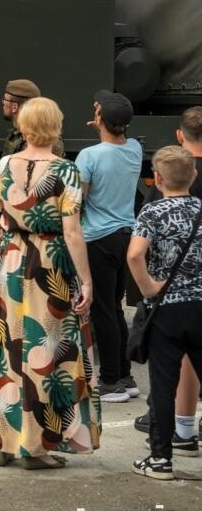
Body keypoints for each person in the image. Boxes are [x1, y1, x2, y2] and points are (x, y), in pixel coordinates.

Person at [0, 97, 99, 469]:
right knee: (46, 352)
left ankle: (7, 442)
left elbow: (3, 213)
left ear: (23, 126)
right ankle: (35, 446)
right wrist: (86, 280)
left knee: (11, 347)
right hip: (49, 263)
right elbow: (72, 231)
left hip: (11, 261)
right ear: (56, 126)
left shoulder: (4, 164)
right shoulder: (65, 171)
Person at [127, 145, 202, 480]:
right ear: (194, 175)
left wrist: (148, 288)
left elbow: (134, 255)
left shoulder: (153, 212)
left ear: (157, 179)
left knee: (162, 383)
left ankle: (160, 458)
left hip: (167, 308)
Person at [77, 91, 142, 403]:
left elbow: (81, 197)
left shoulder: (88, 156)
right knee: (114, 307)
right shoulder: (135, 148)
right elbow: (116, 143)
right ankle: (125, 375)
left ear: (100, 119)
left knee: (102, 311)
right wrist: (105, 124)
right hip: (126, 234)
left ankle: (111, 380)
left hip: (98, 238)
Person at [0, 79, 41, 155]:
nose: (3, 102)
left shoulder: (39, 140)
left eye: (5, 99)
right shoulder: (18, 134)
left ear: (14, 107)